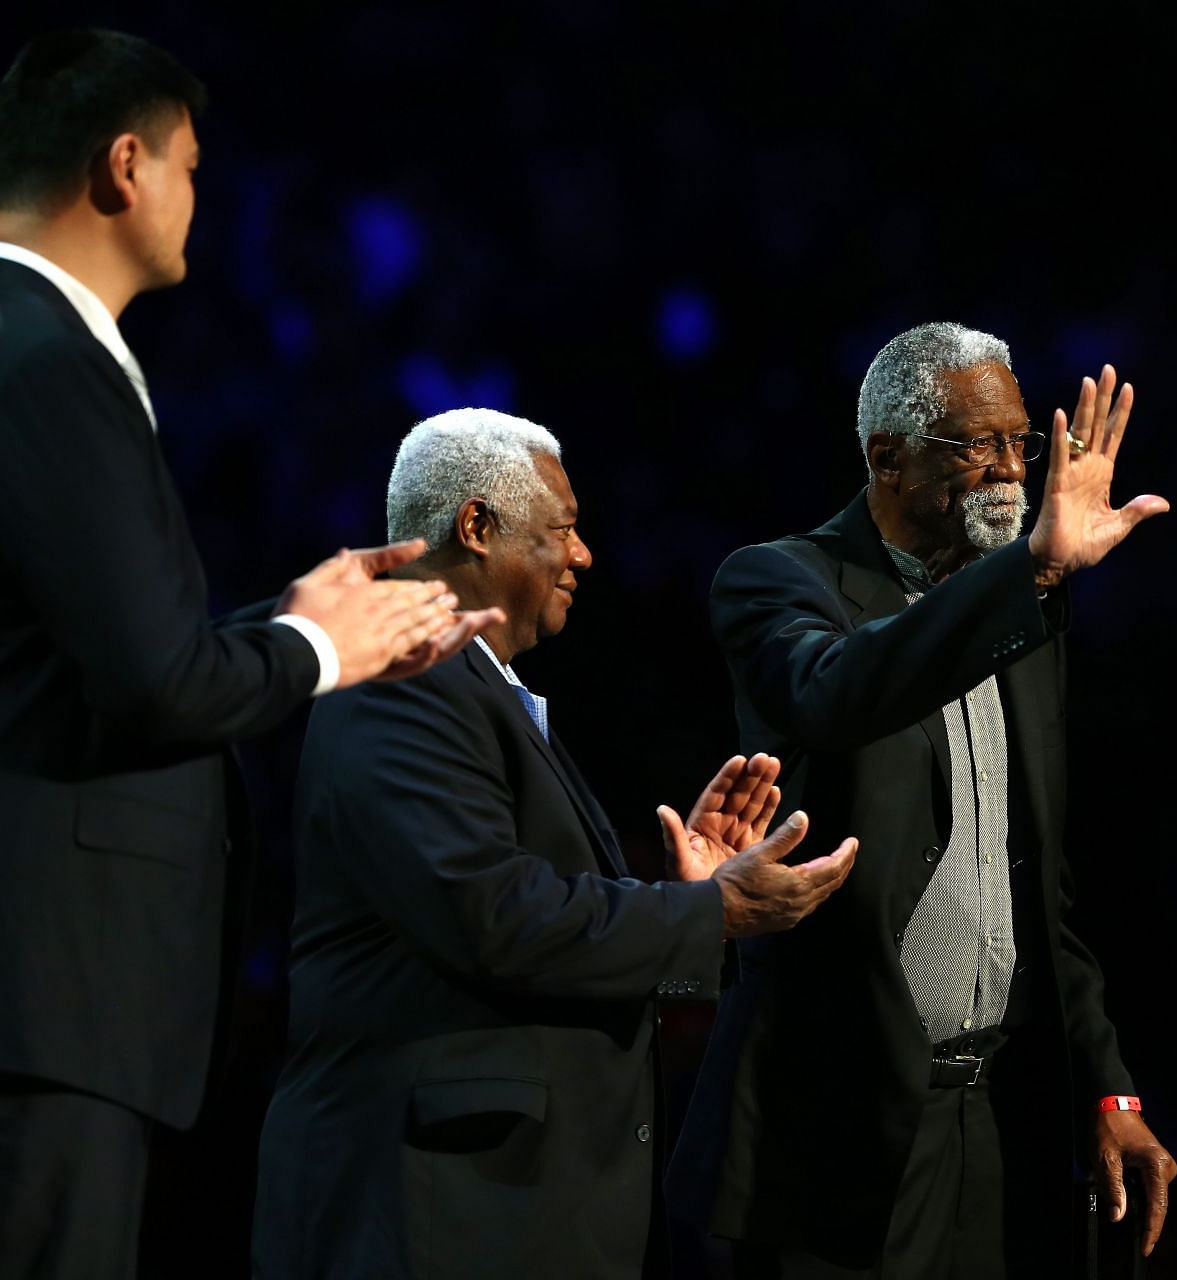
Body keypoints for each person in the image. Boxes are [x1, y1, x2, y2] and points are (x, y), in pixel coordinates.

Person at [0, 29, 498, 1280]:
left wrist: (282, 620)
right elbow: (152, 687)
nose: (200, 195)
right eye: (190, 165)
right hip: (7, 1021)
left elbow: (90, 663)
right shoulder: (39, 363)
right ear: (124, 167)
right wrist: (314, 649)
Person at [252, 408, 858, 1279]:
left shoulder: (469, 686)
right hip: (433, 1210)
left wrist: (688, 896)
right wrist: (707, 912)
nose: (584, 556)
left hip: (500, 1206)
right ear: (476, 527)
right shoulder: (403, 674)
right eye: (564, 531)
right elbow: (489, 912)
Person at [665, 321, 1177, 1277]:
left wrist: (1111, 1091)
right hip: (838, 1134)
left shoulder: (1022, 612)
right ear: (885, 457)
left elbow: (1041, 892)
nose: (1008, 469)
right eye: (975, 443)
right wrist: (1027, 573)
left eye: (1020, 443)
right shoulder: (781, 580)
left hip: (994, 1124)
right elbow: (836, 693)